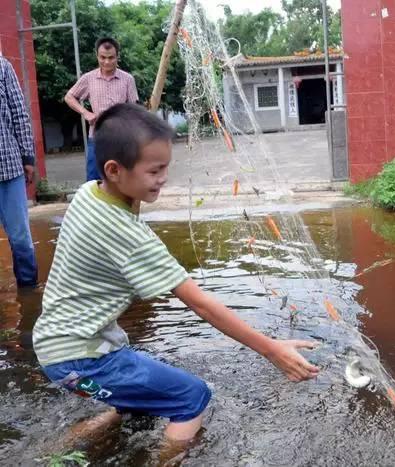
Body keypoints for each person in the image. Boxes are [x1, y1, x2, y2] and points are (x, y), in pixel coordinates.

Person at [32, 103, 319, 449]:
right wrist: (271, 349)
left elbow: (126, 199)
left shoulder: (88, 193)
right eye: (154, 171)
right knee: (190, 396)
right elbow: (201, 305)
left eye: (166, 168)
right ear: (114, 169)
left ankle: (54, 451)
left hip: (56, 344)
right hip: (82, 358)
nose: (163, 179)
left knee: (137, 403)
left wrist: (141, 175)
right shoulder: (129, 237)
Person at [64, 37, 138, 181]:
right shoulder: (89, 78)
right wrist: (86, 113)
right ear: (97, 56)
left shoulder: (128, 79)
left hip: (120, 139)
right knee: (93, 180)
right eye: (103, 57)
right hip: (97, 137)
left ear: (117, 57)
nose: (107, 62)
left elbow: (134, 109)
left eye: (111, 58)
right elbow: (69, 97)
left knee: (120, 179)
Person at [0, 55, 38, 288]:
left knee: (21, 240)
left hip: (8, 168)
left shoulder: (3, 67)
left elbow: (20, 114)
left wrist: (28, 157)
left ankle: (29, 295)